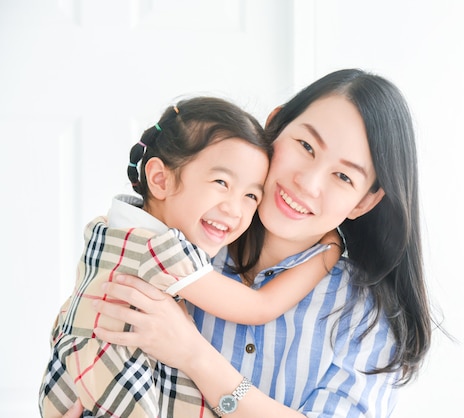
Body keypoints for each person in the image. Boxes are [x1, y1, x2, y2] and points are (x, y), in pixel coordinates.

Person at [75, 68, 432, 417]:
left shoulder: (363, 314)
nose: (307, 183)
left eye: (342, 176)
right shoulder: (181, 242)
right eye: (306, 146)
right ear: (274, 125)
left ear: (364, 202)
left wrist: (195, 355)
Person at [40, 96, 341, 418]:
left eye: (251, 195)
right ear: (160, 179)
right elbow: (258, 307)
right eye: (221, 182)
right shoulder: (157, 248)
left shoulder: (112, 229)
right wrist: (328, 252)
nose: (235, 209)